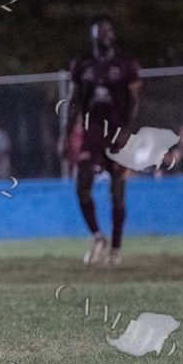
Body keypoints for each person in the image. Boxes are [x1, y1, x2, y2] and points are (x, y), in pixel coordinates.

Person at [63, 15, 141, 267]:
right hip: (92, 132)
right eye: (101, 31)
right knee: (81, 186)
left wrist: (127, 132)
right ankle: (98, 236)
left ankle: (116, 249)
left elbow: (134, 101)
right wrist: (66, 134)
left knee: (117, 191)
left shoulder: (126, 64)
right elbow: (75, 101)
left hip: (117, 132)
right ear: (93, 35)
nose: (105, 35)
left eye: (109, 31)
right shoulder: (82, 64)